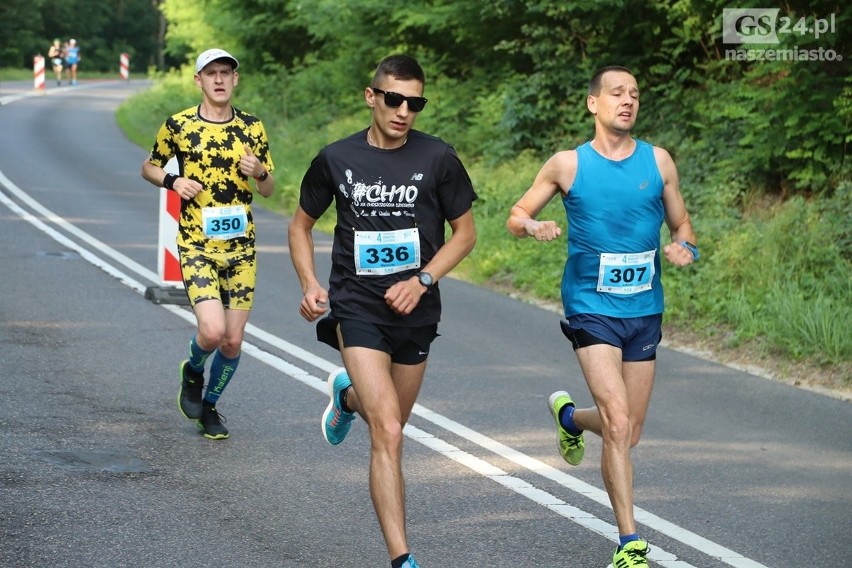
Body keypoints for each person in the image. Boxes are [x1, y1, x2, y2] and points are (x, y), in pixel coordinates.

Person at [288, 54, 477, 568]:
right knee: (389, 432)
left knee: (388, 422)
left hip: (417, 311)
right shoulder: (336, 158)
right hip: (358, 307)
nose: (403, 111)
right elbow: (300, 225)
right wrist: (309, 283)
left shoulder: (438, 158)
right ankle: (402, 559)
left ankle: (347, 400)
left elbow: (466, 234)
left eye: (414, 103)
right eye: (394, 99)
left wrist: (423, 280)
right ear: (372, 96)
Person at [506, 65, 698, 568]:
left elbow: (683, 225)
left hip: (644, 310)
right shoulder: (568, 165)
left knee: (627, 431)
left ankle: (569, 417)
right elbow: (515, 215)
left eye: (634, 94)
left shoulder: (659, 162)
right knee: (616, 419)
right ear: (594, 103)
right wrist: (533, 227)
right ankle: (629, 542)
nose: (628, 101)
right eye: (617, 93)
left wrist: (685, 249)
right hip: (591, 309)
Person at [141, 48, 275, 440]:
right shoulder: (179, 125)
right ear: (198, 80)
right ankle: (194, 369)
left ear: (236, 80)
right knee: (213, 332)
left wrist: (260, 171)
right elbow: (149, 166)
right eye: (211, 73)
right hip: (197, 244)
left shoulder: (252, 127)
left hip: (242, 249)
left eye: (226, 73)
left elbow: (268, 190)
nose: (219, 79)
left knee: (233, 341)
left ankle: (211, 407)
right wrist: (172, 181)